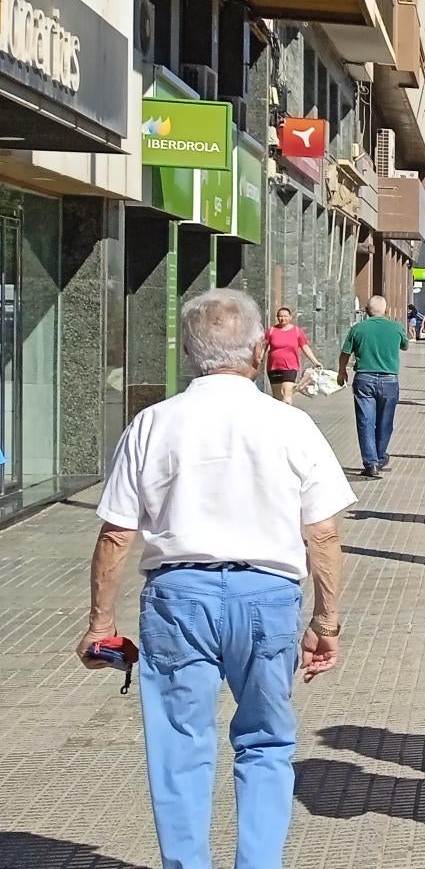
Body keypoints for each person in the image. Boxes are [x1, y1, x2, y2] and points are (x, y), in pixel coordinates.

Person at [77, 288, 355, 869]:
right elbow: (323, 534)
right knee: (266, 743)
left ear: (188, 352)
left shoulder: (152, 423)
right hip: (268, 598)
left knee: (179, 747)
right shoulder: (291, 425)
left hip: (179, 597)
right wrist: (325, 621)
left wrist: (101, 622)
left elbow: (116, 535)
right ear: (258, 350)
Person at [339, 295, 409, 478]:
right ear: (385, 310)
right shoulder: (396, 327)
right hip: (389, 380)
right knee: (385, 422)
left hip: (364, 378)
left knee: (366, 421)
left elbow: (345, 353)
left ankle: (370, 463)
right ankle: (378, 457)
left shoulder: (357, 328)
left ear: (366, 310)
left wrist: (341, 372)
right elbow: (405, 346)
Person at [265, 306, 324, 403]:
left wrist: (315, 362)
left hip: (290, 367)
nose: (283, 318)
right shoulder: (271, 331)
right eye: (280, 316)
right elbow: (264, 347)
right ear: (277, 317)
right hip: (273, 367)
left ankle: (287, 415)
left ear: (290, 317)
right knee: (277, 397)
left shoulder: (297, 331)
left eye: (285, 316)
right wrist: (258, 361)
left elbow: (305, 347)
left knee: (286, 394)